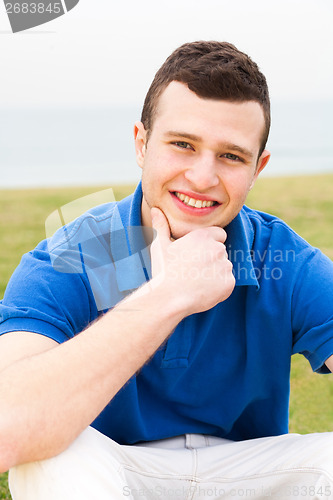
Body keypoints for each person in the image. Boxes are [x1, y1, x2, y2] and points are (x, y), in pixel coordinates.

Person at [0, 40, 332, 500]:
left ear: (258, 168)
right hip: (114, 474)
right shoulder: (75, 253)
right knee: (47, 461)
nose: (201, 177)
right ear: (142, 144)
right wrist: (167, 295)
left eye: (231, 156)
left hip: (248, 474)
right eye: (182, 144)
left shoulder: (282, 258)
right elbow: (7, 427)